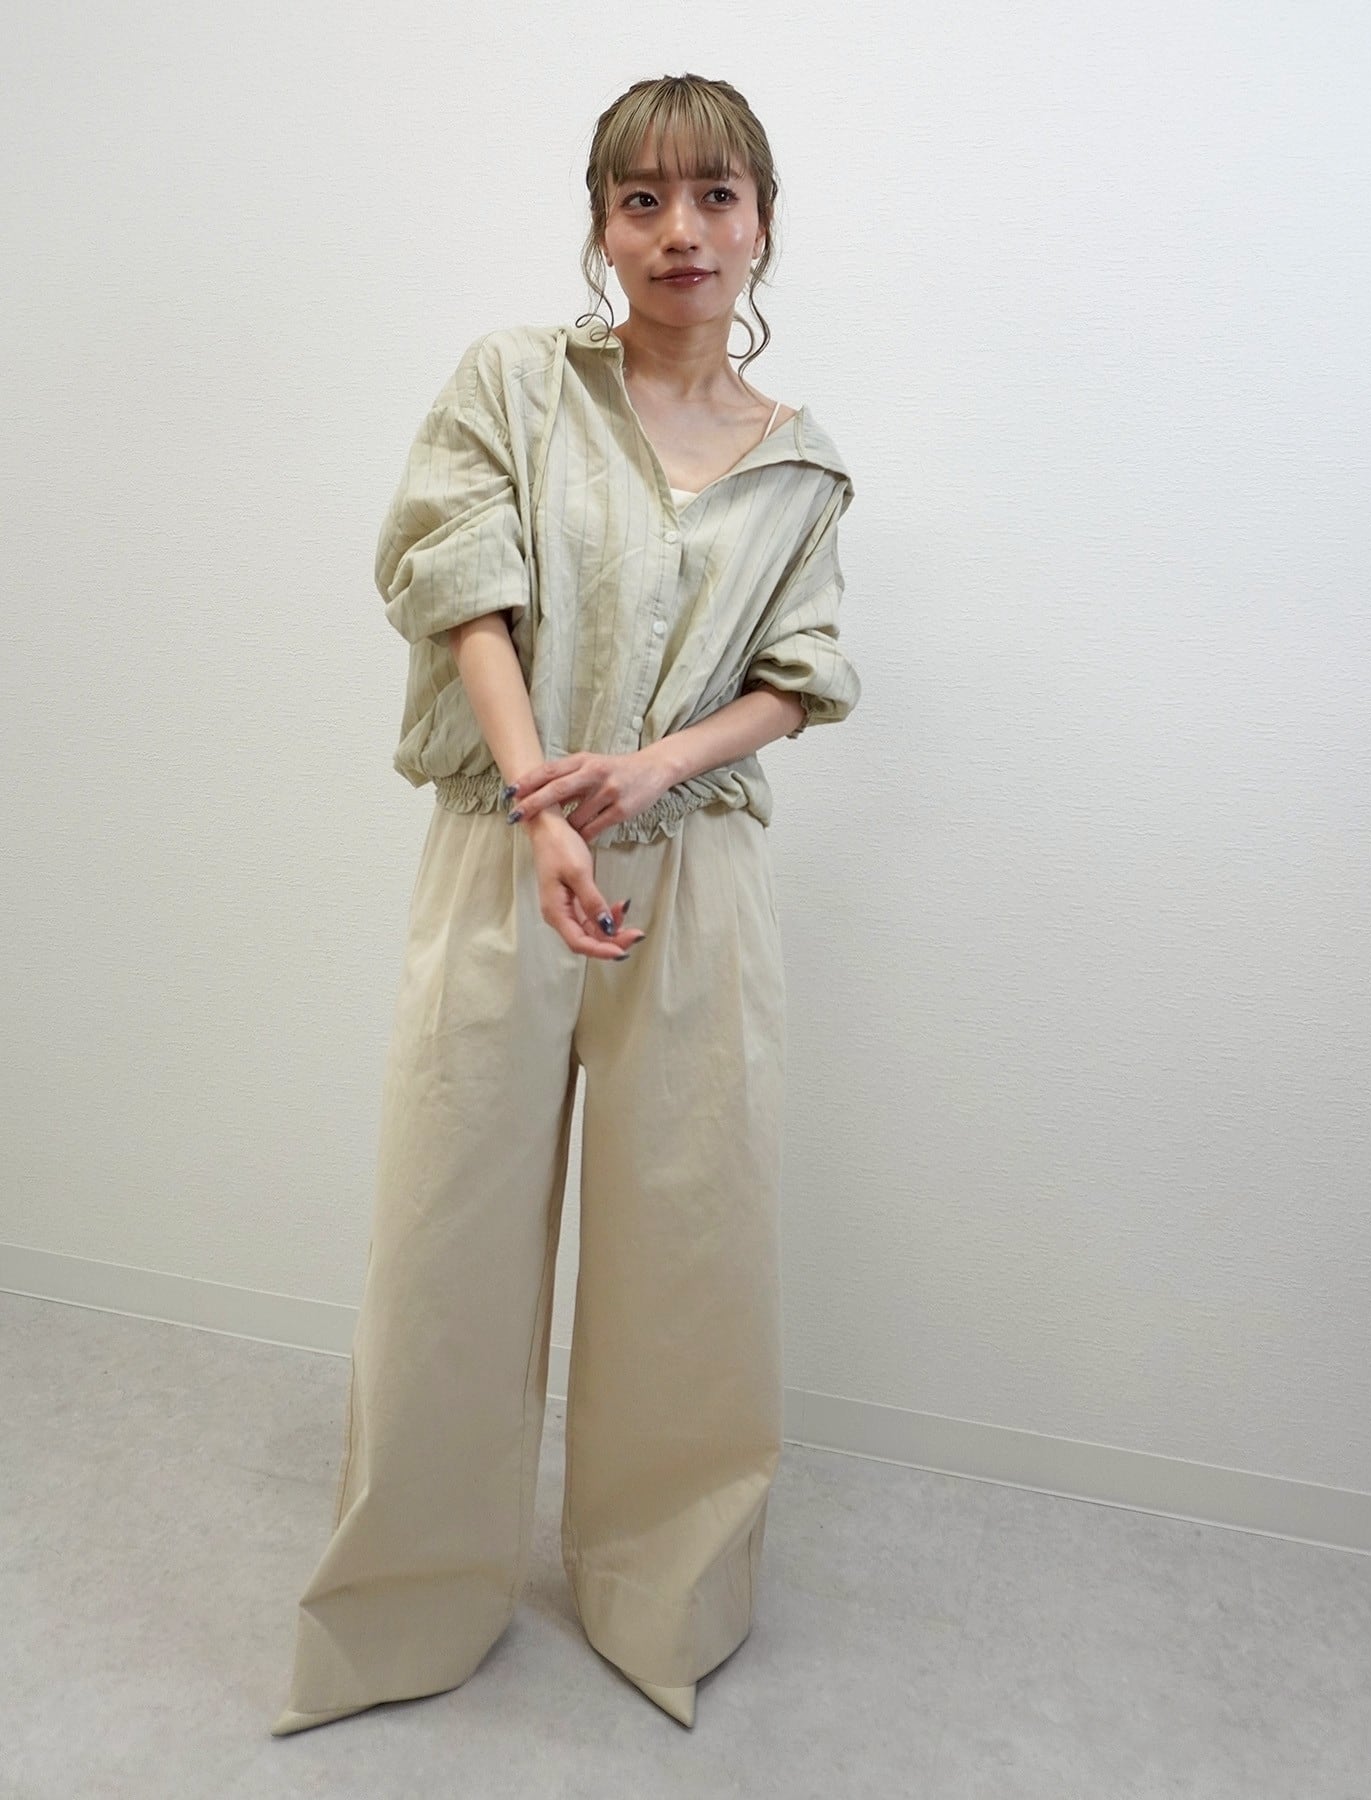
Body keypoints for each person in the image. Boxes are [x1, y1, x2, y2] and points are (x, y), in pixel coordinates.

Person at [270, 71, 861, 1738]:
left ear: (763, 222)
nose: (682, 232)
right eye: (642, 198)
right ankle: (404, 1603)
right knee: (446, 1232)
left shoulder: (803, 467)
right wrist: (548, 802)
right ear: (600, 225)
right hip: (507, 848)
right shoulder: (517, 386)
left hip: (700, 873)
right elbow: (460, 585)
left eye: (716, 196)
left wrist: (656, 767)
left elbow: (802, 676)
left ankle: (665, 1591)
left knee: (693, 1239)